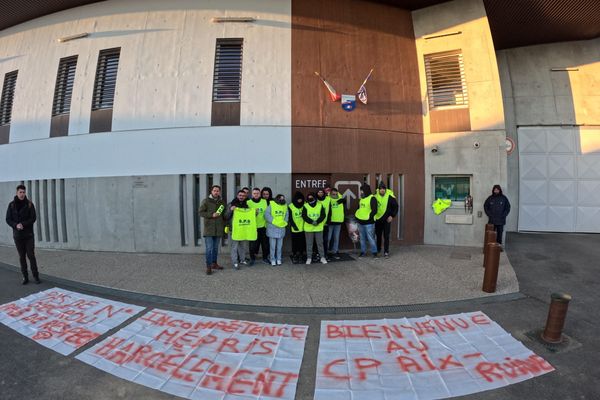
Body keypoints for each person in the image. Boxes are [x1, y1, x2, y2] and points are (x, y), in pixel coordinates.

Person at [5, 185, 40, 284]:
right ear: (17, 193)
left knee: (31, 255)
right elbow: (8, 219)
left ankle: (36, 276)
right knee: (22, 256)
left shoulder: (29, 204)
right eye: (20, 192)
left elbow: (33, 218)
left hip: (28, 235)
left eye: (24, 192)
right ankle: (25, 277)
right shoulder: (11, 205)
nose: (22, 194)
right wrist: (16, 225)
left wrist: (23, 224)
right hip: (18, 236)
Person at [198, 185, 226, 275]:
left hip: (218, 229)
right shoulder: (206, 201)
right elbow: (200, 212)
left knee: (215, 248)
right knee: (209, 248)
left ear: (220, 192)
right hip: (209, 229)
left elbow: (224, 215)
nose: (216, 192)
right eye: (214, 190)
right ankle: (208, 266)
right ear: (211, 191)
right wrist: (211, 214)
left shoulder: (222, 202)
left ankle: (214, 263)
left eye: (218, 191)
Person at [226, 190, 256, 269]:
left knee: (243, 246)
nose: (241, 197)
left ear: (245, 196)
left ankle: (242, 259)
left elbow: (251, 216)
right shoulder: (231, 204)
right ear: (237, 195)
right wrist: (230, 210)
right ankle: (235, 262)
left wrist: (255, 212)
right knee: (234, 247)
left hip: (243, 229)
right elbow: (226, 216)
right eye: (240, 195)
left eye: (243, 196)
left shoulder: (247, 205)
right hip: (234, 229)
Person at [374, 182, 399, 257]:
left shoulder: (390, 197)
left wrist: (392, 216)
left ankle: (386, 252)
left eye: (383, 189)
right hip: (377, 220)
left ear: (385, 189)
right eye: (381, 189)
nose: (382, 190)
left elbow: (396, 207)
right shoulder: (375, 196)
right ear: (378, 190)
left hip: (386, 220)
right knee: (378, 235)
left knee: (386, 236)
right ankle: (378, 249)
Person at [302, 192, 327, 265]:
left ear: (315, 198)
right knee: (309, 244)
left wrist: (317, 221)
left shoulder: (320, 205)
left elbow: (323, 215)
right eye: (309, 197)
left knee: (320, 243)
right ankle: (309, 258)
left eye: (311, 197)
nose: (310, 199)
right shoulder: (305, 206)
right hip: (309, 228)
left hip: (318, 228)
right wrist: (311, 222)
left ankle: (322, 257)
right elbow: (304, 216)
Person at [355, 183, 378, 258]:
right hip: (360, 222)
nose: (361, 192)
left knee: (371, 238)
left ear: (366, 190)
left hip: (369, 223)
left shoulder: (372, 198)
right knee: (362, 238)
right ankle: (363, 252)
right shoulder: (361, 199)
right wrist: (357, 217)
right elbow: (359, 209)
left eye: (362, 191)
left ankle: (374, 252)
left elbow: (374, 210)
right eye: (361, 191)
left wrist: (368, 218)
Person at [265, 194, 289, 266]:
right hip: (272, 227)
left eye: (283, 198)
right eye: (280, 198)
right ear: (277, 198)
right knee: (272, 246)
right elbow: (267, 215)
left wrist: (285, 222)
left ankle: (279, 259)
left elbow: (287, 215)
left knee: (279, 246)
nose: (282, 200)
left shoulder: (285, 205)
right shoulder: (271, 205)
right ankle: (272, 259)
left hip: (281, 228)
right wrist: (274, 222)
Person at [248, 187, 269, 265]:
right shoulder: (249, 202)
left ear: (260, 194)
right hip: (253, 227)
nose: (256, 195)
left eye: (257, 193)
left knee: (265, 244)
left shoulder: (264, 201)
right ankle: (252, 259)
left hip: (263, 226)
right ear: (252, 194)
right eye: (254, 193)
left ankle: (265, 258)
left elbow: (267, 213)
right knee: (253, 245)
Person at [327, 187, 346, 259]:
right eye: (333, 193)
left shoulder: (341, 198)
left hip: (338, 221)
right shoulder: (328, 198)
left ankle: (335, 252)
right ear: (331, 193)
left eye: (336, 193)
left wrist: (343, 200)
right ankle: (326, 251)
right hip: (330, 221)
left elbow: (344, 202)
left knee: (336, 238)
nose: (334, 194)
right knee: (328, 238)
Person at [288, 191, 307, 264]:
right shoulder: (291, 206)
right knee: (295, 242)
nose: (300, 200)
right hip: (294, 228)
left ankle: (301, 254)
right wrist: (294, 225)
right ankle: (295, 254)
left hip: (303, 227)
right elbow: (290, 218)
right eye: (298, 199)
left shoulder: (305, 204)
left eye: (301, 199)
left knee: (302, 242)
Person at [317, 186, 331, 258]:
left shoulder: (328, 199)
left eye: (321, 192)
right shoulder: (315, 200)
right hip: (317, 224)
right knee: (318, 241)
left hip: (325, 224)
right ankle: (317, 254)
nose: (320, 193)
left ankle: (325, 254)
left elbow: (330, 211)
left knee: (325, 240)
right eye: (319, 192)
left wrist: (328, 221)